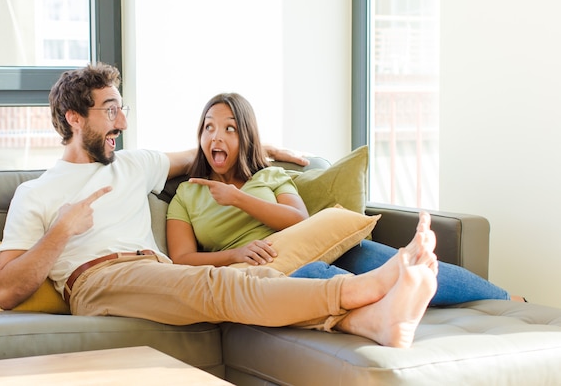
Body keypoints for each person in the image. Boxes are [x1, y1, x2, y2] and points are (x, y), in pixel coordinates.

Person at [0, 62, 439, 349]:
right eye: (111, 111)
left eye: (122, 109)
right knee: (218, 283)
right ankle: (368, 288)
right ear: (75, 118)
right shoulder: (37, 193)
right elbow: (7, 290)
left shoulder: (135, 164)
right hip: (98, 279)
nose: (123, 122)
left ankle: (371, 323)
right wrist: (62, 232)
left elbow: (202, 153)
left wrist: (256, 144)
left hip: (159, 271)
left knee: (255, 277)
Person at [166, 92, 520, 305]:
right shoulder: (186, 194)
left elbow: (299, 221)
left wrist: (239, 199)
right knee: (314, 276)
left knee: (400, 262)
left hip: (317, 244)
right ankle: (382, 297)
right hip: (271, 270)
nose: (217, 136)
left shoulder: (269, 175)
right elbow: (181, 258)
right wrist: (235, 254)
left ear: (245, 137)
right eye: (209, 127)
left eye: (230, 128)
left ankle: (505, 300)